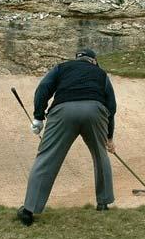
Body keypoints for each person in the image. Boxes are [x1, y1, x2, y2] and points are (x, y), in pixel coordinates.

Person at [17, 48, 117, 226]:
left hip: (63, 111)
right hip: (95, 110)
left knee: (46, 157)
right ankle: (103, 203)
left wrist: (38, 118)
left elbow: (43, 89)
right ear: (93, 61)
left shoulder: (61, 68)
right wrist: (109, 138)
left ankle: (29, 210)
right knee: (100, 154)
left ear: (77, 59)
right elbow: (111, 106)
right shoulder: (101, 73)